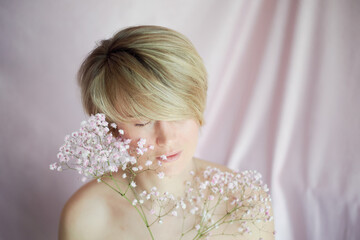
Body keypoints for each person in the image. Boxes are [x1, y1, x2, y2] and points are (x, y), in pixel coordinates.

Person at [58, 25, 275, 240]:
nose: (167, 138)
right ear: (110, 126)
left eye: (178, 115)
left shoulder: (246, 203)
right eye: (142, 122)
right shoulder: (86, 217)